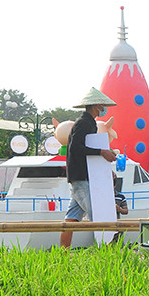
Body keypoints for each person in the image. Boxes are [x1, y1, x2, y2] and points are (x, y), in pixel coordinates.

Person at [60, 88, 118, 248]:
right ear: (97, 105)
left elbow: (86, 149)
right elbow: (76, 148)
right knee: (98, 213)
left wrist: (104, 162)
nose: (103, 108)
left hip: (82, 175)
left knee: (71, 218)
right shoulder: (84, 123)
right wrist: (101, 152)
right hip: (81, 176)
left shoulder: (88, 122)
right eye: (102, 105)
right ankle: (105, 251)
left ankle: (62, 254)